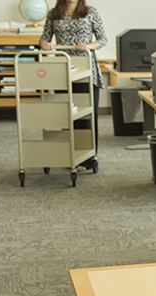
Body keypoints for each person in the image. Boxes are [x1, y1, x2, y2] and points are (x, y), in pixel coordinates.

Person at [40, 0, 107, 173]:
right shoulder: (54, 13)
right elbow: (44, 38)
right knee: (66, 115)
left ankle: (87, 159)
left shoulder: (90, 12)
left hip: (85, 69)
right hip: (63, 70)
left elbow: (102, 39)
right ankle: (68, 154)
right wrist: (46, 45)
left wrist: (87, 46)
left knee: (85, 116)